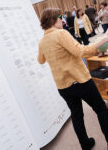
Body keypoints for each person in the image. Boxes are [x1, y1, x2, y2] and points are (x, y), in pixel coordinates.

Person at [38, 8, 108, 150]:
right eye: (59, 17)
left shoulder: (42, 41)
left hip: (63, 87)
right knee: (101, 109)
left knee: (76, 115)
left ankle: (85, 144)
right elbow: (80, 51)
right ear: (52, 20)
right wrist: (103, 41)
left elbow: (40, 60)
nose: (62, 20)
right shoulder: (61, 34)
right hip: (81, 81)